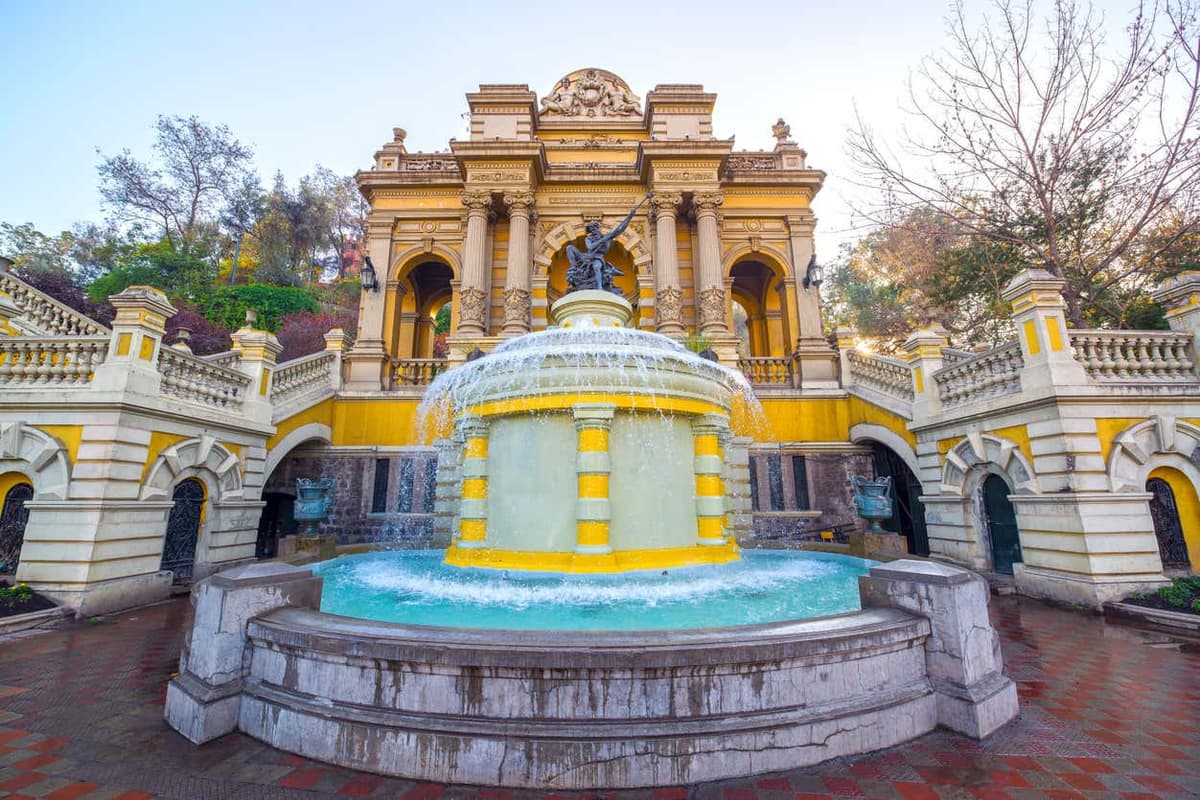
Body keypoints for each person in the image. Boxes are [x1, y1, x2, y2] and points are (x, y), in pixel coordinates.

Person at [566, 195, 650, 293]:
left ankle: (600, 288)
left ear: (598, 228)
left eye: (594, 228)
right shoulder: (589, 238)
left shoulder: (607, 237)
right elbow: (590, 246)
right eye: (591, 229)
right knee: (570, 248)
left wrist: (630, 216)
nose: (593, 230)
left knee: (596, 267)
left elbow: (620, 229)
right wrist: (601, 241)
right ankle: (573, 268)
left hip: (597, 258)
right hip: (586, 257)